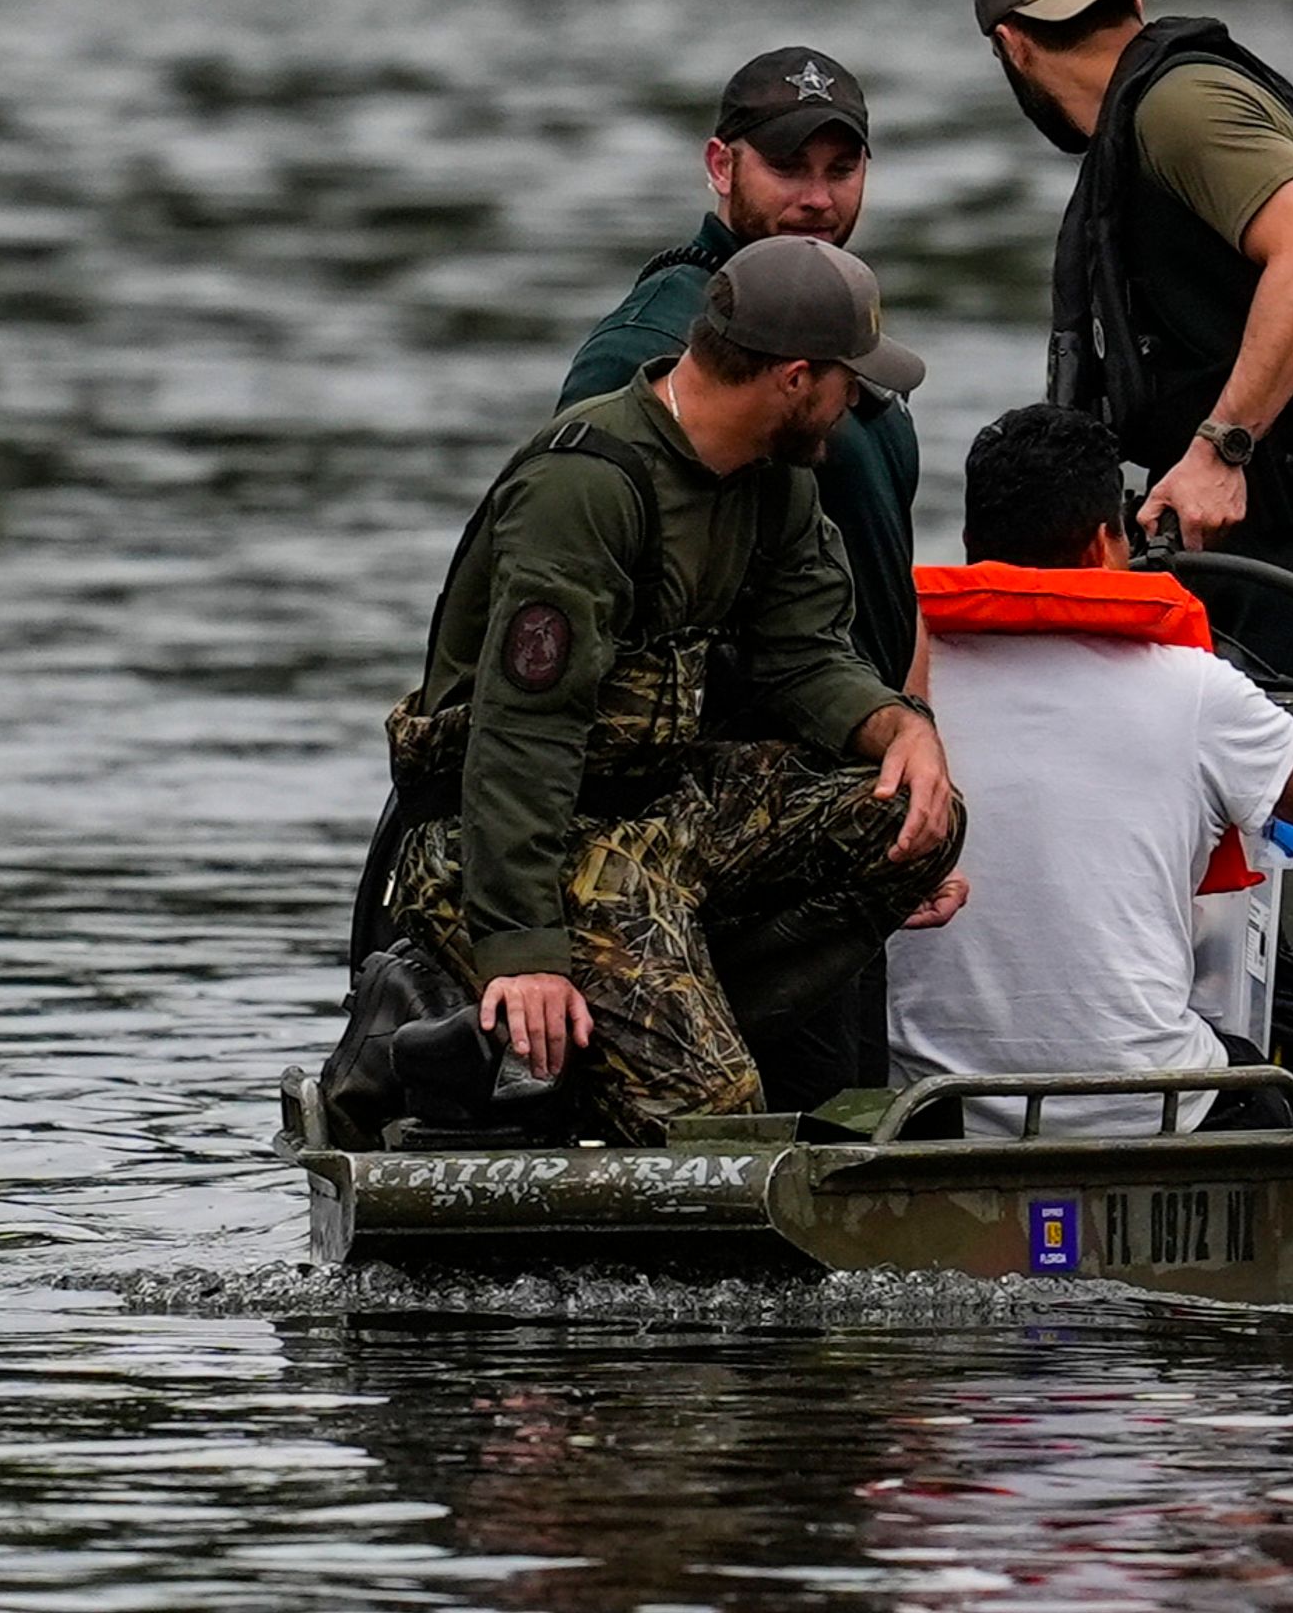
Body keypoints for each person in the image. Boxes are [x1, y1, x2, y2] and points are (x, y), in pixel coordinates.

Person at [375, 237, 968, 1145]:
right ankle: (477, 1034)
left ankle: (659, 1015)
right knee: (713, 1120)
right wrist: (524, 951)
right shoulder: (587, 487)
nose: (859, 405)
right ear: (796, 379)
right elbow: (521, 739)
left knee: (911, 817)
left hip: (660, 819)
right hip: (496, 844)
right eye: (851, 382)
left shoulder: (774, 481)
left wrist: (902, 728)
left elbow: (807, 655)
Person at [556, 45, 925, 1107]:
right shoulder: (656, 345)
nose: (816, 196)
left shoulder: (842, 333)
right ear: (720, 165)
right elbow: (579, 599)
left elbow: (885, 590)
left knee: (853, 1132)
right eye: (786, 167)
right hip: (723, 842)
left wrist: (913, 762)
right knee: (779, 1143)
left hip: (837, 810)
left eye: (840, 168)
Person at [974, 0, 1293, 734]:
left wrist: (1221, 447)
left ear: (1012, 44)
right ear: (1129, 6)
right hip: (1260, 538)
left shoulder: (1179, 107)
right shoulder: (1145, 116)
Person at [887, 405, 1293, 1138]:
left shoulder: (893, 690)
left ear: (972, 545)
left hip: (933, 1113)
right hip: (1148, 1105)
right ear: (1101, 545)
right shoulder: (1192, 686)